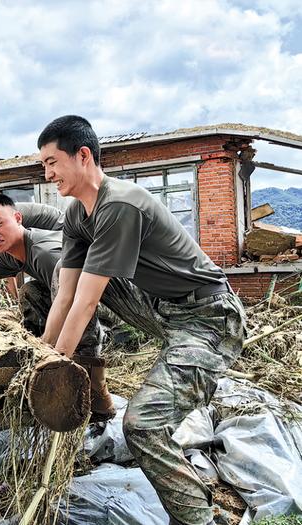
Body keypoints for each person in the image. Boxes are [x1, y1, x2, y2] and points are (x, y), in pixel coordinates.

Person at [38, 115, 245, 525]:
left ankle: (201, 520)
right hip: (163, 310)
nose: (47, 174)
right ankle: (86, 381)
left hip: (209, 318)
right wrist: (41, 356)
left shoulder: (119, 204)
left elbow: (87, 303)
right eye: (42, 166)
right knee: (64, 278)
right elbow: (67, 294)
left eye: (51, 162)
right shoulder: (77, 216)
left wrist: (52, 363)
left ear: (83, 156)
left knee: (142, 426)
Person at [0, 193, 113, 421]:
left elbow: (79, 303)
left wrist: (51, 353)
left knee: (77, 327)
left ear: (18, 218)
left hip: (101, 300)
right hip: (68, 298)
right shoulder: (5, 254)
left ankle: (96, 396)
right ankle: (34, 366)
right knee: (31, 291)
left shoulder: (46, 253)